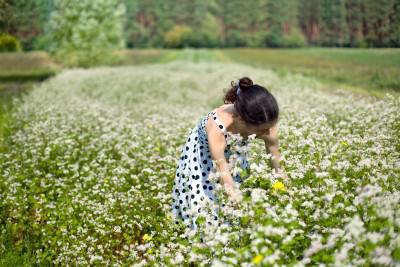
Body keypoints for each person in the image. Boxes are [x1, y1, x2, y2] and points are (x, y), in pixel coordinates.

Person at [171, 76, 287, 232]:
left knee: (238, 203)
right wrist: (244, 208)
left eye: (270, 126)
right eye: (261, 130)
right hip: (204, 158)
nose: (268, 132)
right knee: (203, 208)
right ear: (241, 120)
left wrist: (287, 193)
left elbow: (277, 166)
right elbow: (224, 176)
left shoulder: (266, 122)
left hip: (235, 156)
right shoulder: (218, 127)